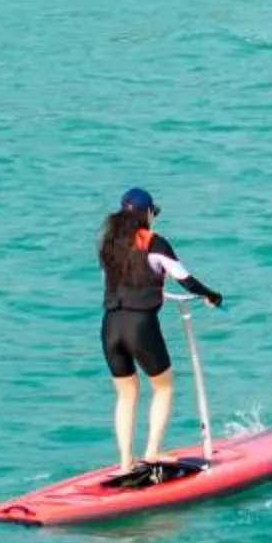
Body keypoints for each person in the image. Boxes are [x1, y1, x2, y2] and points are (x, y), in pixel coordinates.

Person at [97, 188, 224, 471]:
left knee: (126, 394)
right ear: (147, 214)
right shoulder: (155, 243)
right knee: (163, 386)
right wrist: (212, 295)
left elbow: (119, 278)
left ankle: (124, 462)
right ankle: (152, 452)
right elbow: (185, 280)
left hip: (110, 325)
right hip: (139, 325)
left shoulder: (110, 242)